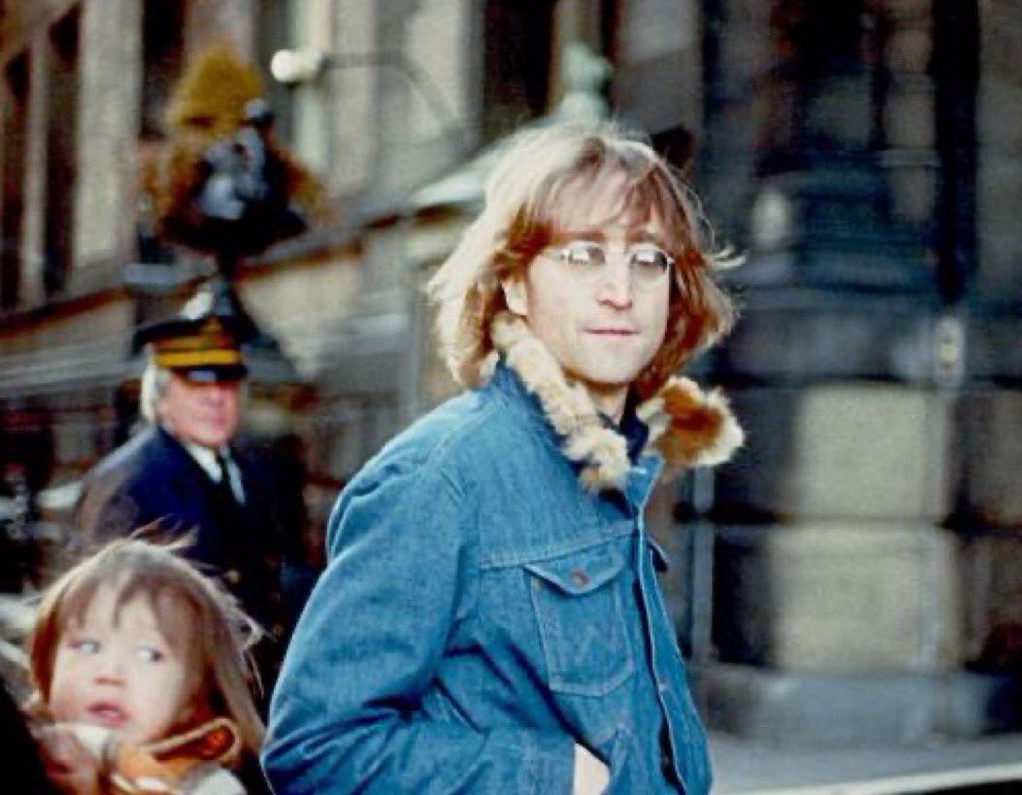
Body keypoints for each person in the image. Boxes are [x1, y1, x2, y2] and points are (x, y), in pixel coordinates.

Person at [264, 122, 743, 793]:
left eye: (647, 258)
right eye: (582, 256)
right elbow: (317, 749)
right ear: (514, 284)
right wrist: (547, 776)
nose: (621, 289)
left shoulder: (622, 464)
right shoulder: (439, 480)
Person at [73, 286, 289, 685]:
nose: (216, 400)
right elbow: (107, 616)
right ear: (160, 398)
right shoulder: (127, 483)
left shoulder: (250, 471)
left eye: (226, 385)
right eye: (197, 386)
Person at [25, 538, 264, 794]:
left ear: (192, 697)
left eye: (148, 654)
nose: (110, 673)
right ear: (48, 668)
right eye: (87, 647)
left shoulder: (210, 787)